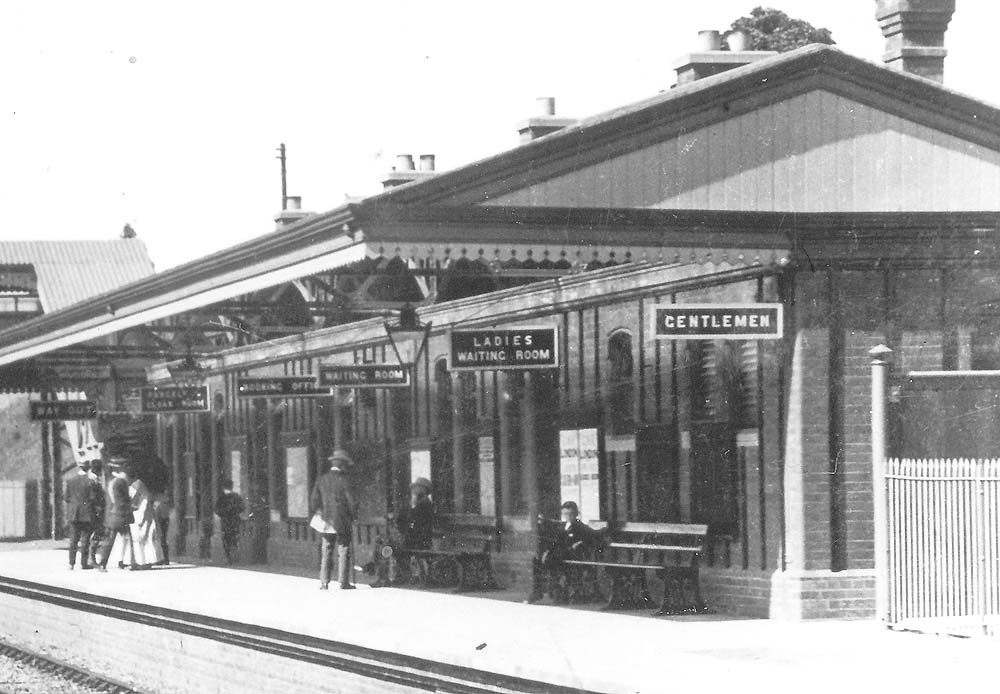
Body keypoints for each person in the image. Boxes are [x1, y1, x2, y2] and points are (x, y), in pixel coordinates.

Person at [528, 501, 598, 604]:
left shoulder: (581, 527)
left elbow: (591, 537)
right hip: (560, 555)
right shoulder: (562, 526)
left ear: (577, 514)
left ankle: (557, 592)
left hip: (572, 555)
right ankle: (537, 591)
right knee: (537, 560)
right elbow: (555, 541)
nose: (568, 517)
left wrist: (580, 542)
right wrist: (547, 551)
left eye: (571, 514)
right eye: (565, 514)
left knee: (552, 562)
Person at [309, 450, 358, 590]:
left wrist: (320, 511)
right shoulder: (345, 480)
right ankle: (343, 582)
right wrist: (354, 516)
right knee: (344, 549)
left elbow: (314, 501)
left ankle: (324, 582)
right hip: (342, 520)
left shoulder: (322, 479)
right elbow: (352, 502)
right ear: (342, 465)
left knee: (326, 550)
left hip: (326, 521)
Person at [114, 462, 161, 570]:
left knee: (138, 539)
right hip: (144, 513)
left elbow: (132, 500)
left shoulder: (135, 485)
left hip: (139, 514)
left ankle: (141, 562)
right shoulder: (140, 484)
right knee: (145, 538)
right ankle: (145, 561)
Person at [390, 477, 434, 584]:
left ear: (423, 490)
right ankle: (400, 574)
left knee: (390, 547)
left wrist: (412, 507)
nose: (414, 490)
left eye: (417, 487)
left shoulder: (425, 504)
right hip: (415, 537)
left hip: (420, 539)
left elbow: (414, 521)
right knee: (389, 546)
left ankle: (402, 575)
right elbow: (404, 519)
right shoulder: (417, 503)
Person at [95, 457, 134, 572]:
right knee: (127, 539)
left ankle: (103, 563)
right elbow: (123, 499)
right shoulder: (121, 482)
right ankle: (126, 562)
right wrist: (130, 503)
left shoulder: (112, 482)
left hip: (114, 513)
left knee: (111, 540)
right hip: (122, 514)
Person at [64, 460, 101, 570]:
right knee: (85, 539)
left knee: (73, 539)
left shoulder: (70, 480)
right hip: (87, 513)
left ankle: (71, 563)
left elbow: (66, 498)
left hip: (73, 513)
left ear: (79, 467)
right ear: (88, 467)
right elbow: (93, 498)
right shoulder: (90, 481)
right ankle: (83, 563)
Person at [214, 479, 245, 565]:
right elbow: (242, 507)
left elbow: (216, 509)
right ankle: (233, 557)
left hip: (226, 521)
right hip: (234, 520)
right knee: (234, 538)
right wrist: (235, 512)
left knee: (226, 539)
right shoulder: (236, 496)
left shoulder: (221, 497)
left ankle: (229, 557)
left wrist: (223, 513)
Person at [87, 459, 106, 567]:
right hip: (95, 511)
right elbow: (94, 498)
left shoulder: (91, 478)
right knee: (94, 535)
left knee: (92, 535)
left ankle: (90, 558)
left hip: (92, 510)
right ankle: (91, 558)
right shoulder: (93, 481)